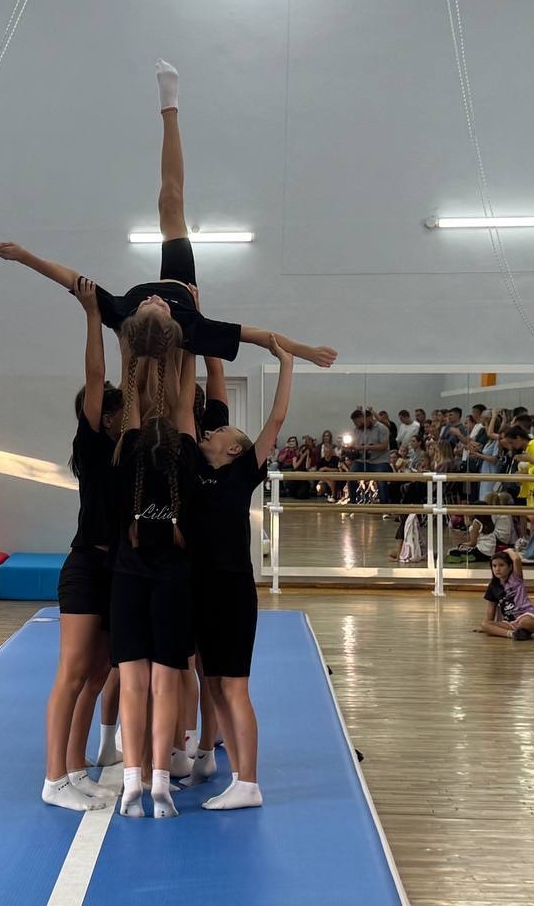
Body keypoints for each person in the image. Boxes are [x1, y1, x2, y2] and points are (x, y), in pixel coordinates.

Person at [0, 65, 337, 373]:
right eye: (158, 306)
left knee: (166, 204)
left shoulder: (121, 313)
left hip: (156, 311)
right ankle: (170, 110)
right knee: (172, 203)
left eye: (147, 304)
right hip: (182, 279)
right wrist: (303, 350)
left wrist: (25, 257)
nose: (152, 299)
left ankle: (167, 105)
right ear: (171, 322)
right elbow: (260, 336)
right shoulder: (191, 329)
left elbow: (71, 279)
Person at [191, 338, 295, 811]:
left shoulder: (242, 472)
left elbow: (276, 419)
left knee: (233, 686)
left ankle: (250, 781)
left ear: (234, 448)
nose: (210, 431)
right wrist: (195, 339)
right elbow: (183, 405)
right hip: (201, 589)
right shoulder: (197, 471)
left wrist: (286, 363)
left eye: (219, 431)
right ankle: (237, 777)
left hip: (232, 590)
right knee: (212, 684)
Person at [42, 277, 123, 811]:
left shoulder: (128, 452)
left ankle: (75, 768)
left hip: (117, 571)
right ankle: (53, 780)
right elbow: (95, 376)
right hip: (86, 568)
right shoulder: (92, 445)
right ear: (103, 416)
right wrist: (95, 316)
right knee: (73, 674)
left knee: (97, 675)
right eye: (119, 410)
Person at [111, 329, 200, 819]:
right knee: (166, 685)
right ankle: (161, 781)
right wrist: (186, 344)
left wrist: (135, 355)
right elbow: (184, 403)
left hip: (128, 581)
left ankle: (132, 783)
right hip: (173, 585)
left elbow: (132, 400)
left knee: (132, 684)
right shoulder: (187, 459)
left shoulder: (126, 454)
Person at [475, 548, 534, 640]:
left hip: (525, 616)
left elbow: (516, 559)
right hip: (509, 622)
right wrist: (487, 627)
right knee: (485, 624)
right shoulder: (493, 586)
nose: (497, 569)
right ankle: (514, 634)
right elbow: (490, 610)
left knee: (525, 622)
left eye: (501, 565)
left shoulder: (516, 579)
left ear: (510, 567)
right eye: (494, 566)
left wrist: (508, 550)